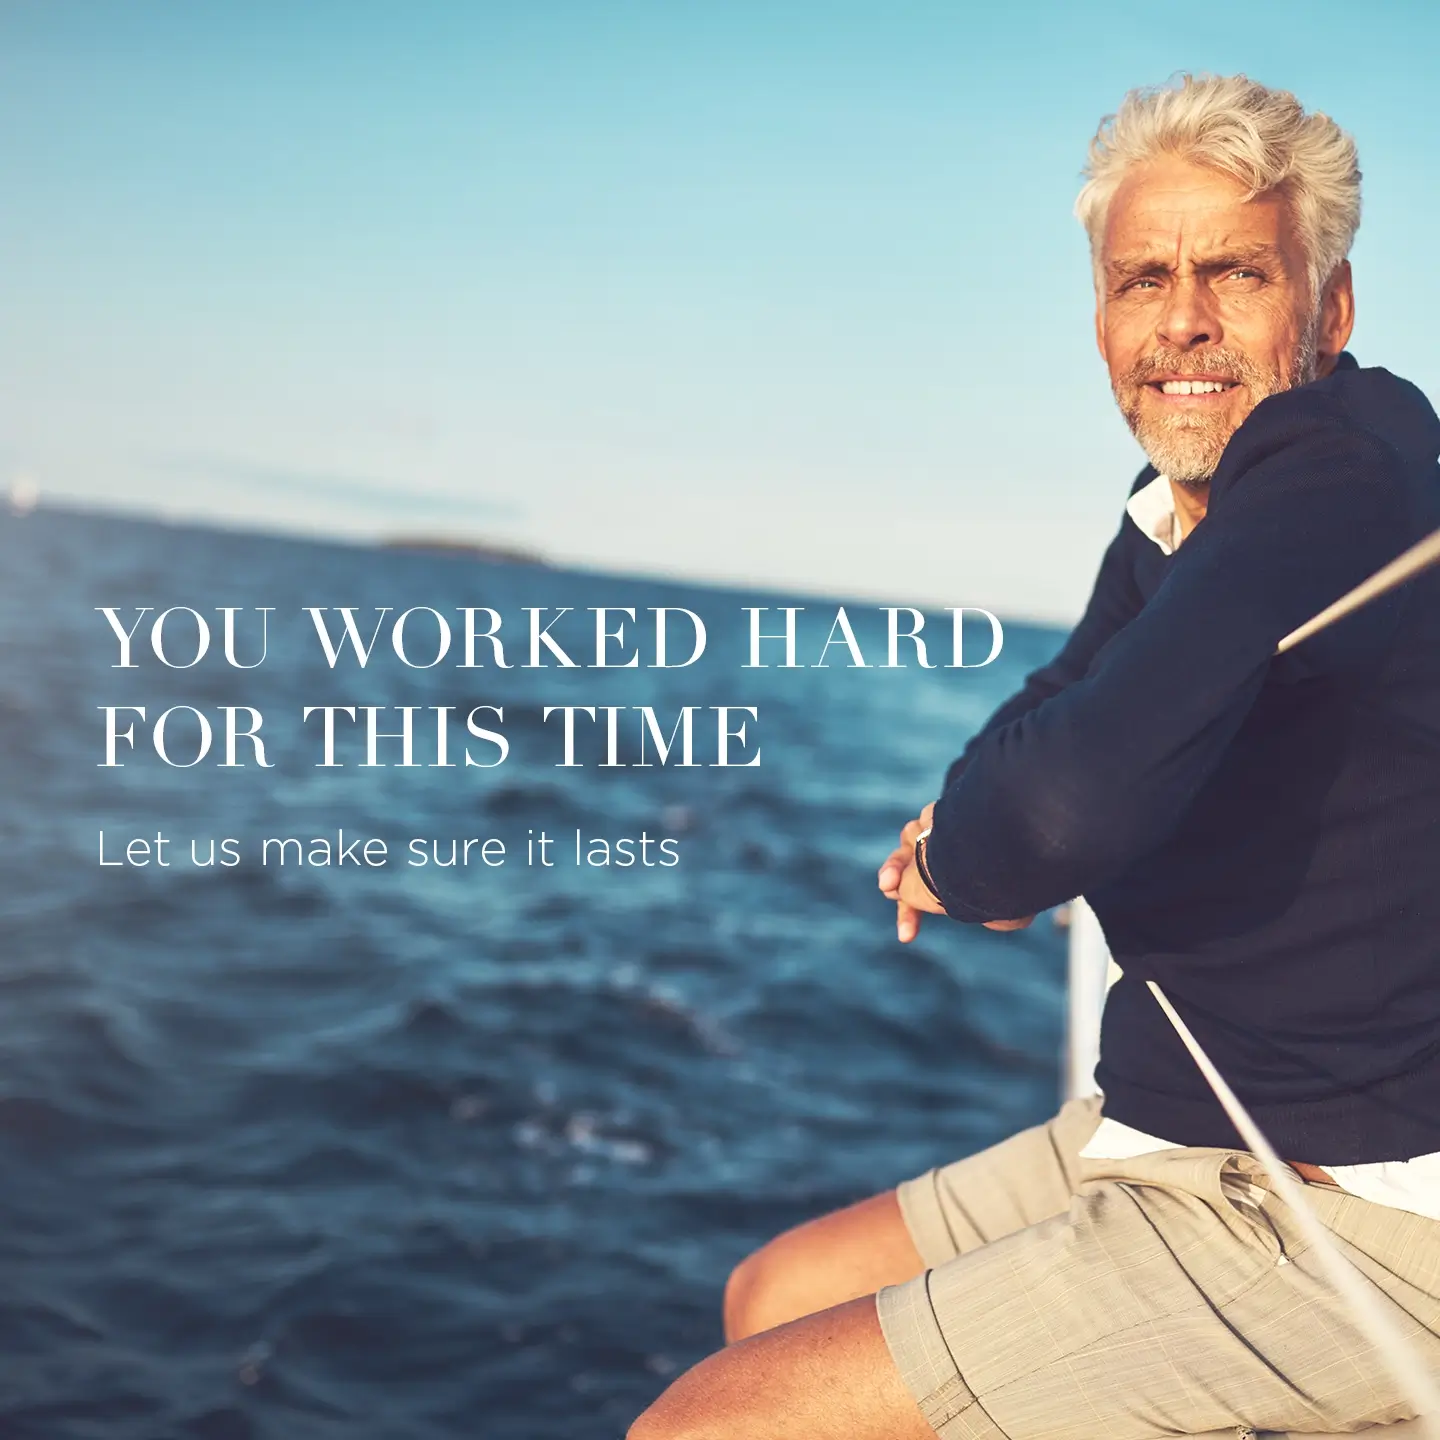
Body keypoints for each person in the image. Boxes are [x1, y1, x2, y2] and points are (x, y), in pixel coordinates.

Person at [627, 73, 1440, 1440]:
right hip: (1180, 1121)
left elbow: (1058, 808)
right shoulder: (1176, 514)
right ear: (1102, 317)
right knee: (773, 1293)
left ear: (1333, 309)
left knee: (700, 1429)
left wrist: (968, 856)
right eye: (1142, 280)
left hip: (1343, 1209)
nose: (1182, 320)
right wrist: (973, 828)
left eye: (1238, 273)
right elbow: (1050, 711)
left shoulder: (1344, 469)